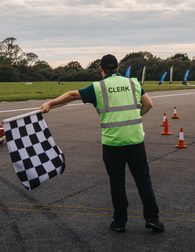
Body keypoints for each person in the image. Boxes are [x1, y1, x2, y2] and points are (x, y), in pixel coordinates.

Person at [40, 54, 164, 233]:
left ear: (101, 69)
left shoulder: (98, 87)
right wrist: (134, 117)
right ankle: (153, 219)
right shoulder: (133, 83)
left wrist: (50, 103)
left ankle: (120, 222)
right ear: (118, 68)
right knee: (143, 179)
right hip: (135, 139)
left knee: (117, 183)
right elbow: (149, 104)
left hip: (113, 142)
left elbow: (72, 95)